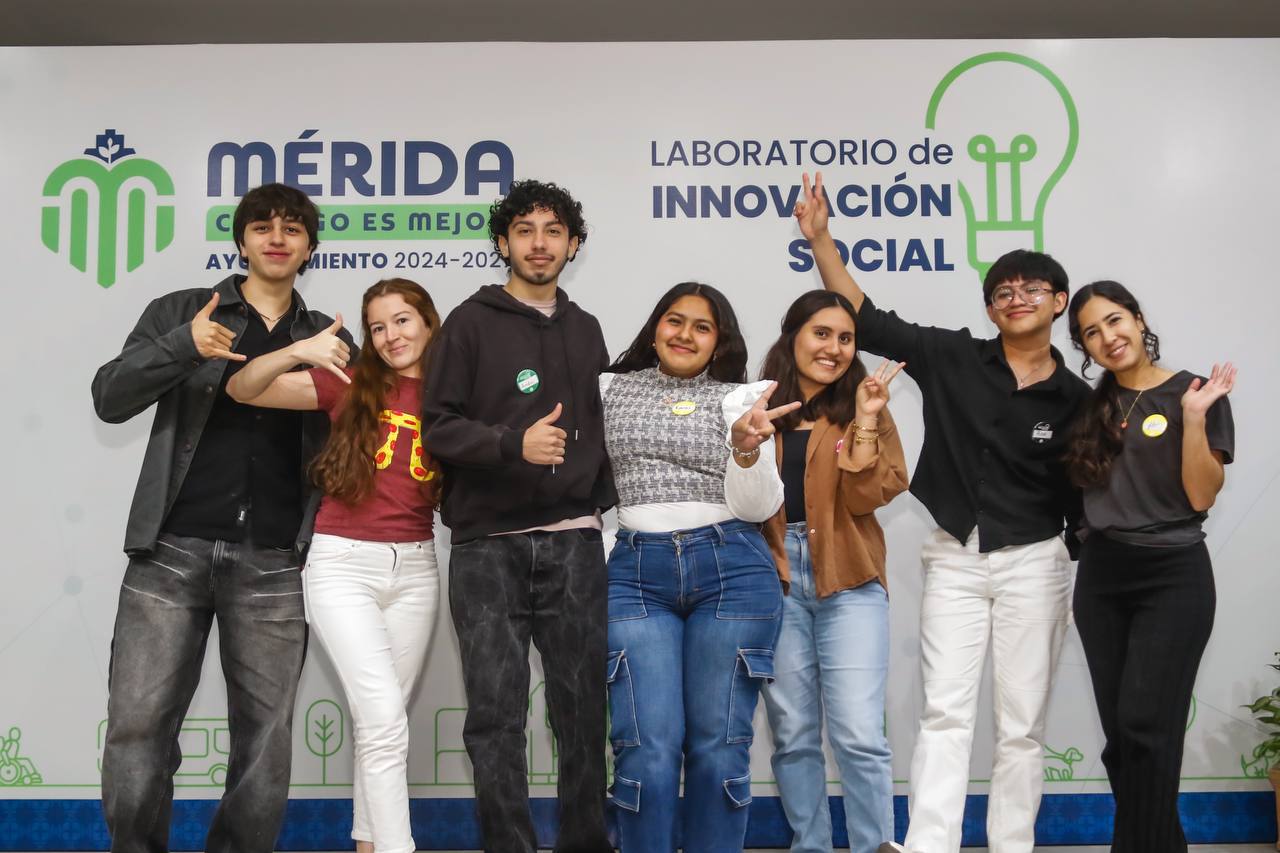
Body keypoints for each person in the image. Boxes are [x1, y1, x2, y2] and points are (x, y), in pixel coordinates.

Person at [790, 172, 1090, 853]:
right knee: (945, 712)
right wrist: (821, 240)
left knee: (1022, 726)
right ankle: (929, 845)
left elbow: (1087, 490)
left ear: (1058, 302)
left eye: (1032, 289)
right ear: (990, 309)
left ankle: (1012, 844)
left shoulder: (1078, 399)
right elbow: (868, 317)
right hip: (955, 555)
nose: (1016, 298)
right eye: (1002, 292)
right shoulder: (954, 355)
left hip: (1036, 561)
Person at [92, 183, 352, 853]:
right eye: (262, 226)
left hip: (275, 558)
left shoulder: (327, 337)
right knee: (137, 725)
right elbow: (110, 398)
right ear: (240, 241)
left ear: (310, 247)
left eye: (292, 228)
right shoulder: (183, 312)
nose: (277, 237)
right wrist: (184, 344)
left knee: (265, 738)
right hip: (170, 549)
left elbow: (356, 438)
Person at [420, 179, 615, 853]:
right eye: (525, 230)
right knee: (495, 717)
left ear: (573, 245)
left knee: (583, 713)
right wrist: (512, 445)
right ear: (502, 243)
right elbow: (437, 427)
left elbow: (602, 427)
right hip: (487, 549)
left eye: (553, 231)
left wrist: (594, 497)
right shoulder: (468, 323)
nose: (539, 243)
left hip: (575, 546)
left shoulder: (587, 329)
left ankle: (586, 843)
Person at [226, 278, 442, 853]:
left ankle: (369, 843)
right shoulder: (350, 382)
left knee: (383, 725)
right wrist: (298, 351)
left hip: (417, 570)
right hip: (342, 565)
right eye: (378, 327)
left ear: (428, 321)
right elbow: (243, 388)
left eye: (402, 320)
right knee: (385, 724)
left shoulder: (454, 392)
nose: (391, 336)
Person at [600, 281, 795, 852]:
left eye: (702, 327)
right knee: (645, 749)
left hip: (732, 570)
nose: (685, 334)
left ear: (719, 341)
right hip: (635, 573)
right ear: (655, 328)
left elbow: (759, 508)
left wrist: (746, 449)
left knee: (719, 748)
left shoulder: (743, 398)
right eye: (675, 320)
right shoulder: (607, 388)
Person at [1063, 281, 1234, 853]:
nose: (1108, 337)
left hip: (1173, 573)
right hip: (1102, 579)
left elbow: (1202, 494)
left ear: (1138, 320)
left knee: (1145, 726)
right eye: (1091, 332)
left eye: (1115, 320)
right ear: (1084, 346)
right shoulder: (1088, 408)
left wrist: (1193, 421)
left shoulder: (1196, 393)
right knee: (1123, 740)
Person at [756, 289, 910, 853]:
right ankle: (811, 846)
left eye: (846, 338)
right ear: (792, 336)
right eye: (821, 333)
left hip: (851, 580)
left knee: (860, 735)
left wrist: (865, 421)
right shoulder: (756, 407)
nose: (834, 348)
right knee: (794, 736)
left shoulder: (867, 407)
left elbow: (867, 496)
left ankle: (875, 846)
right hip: (775, 582)